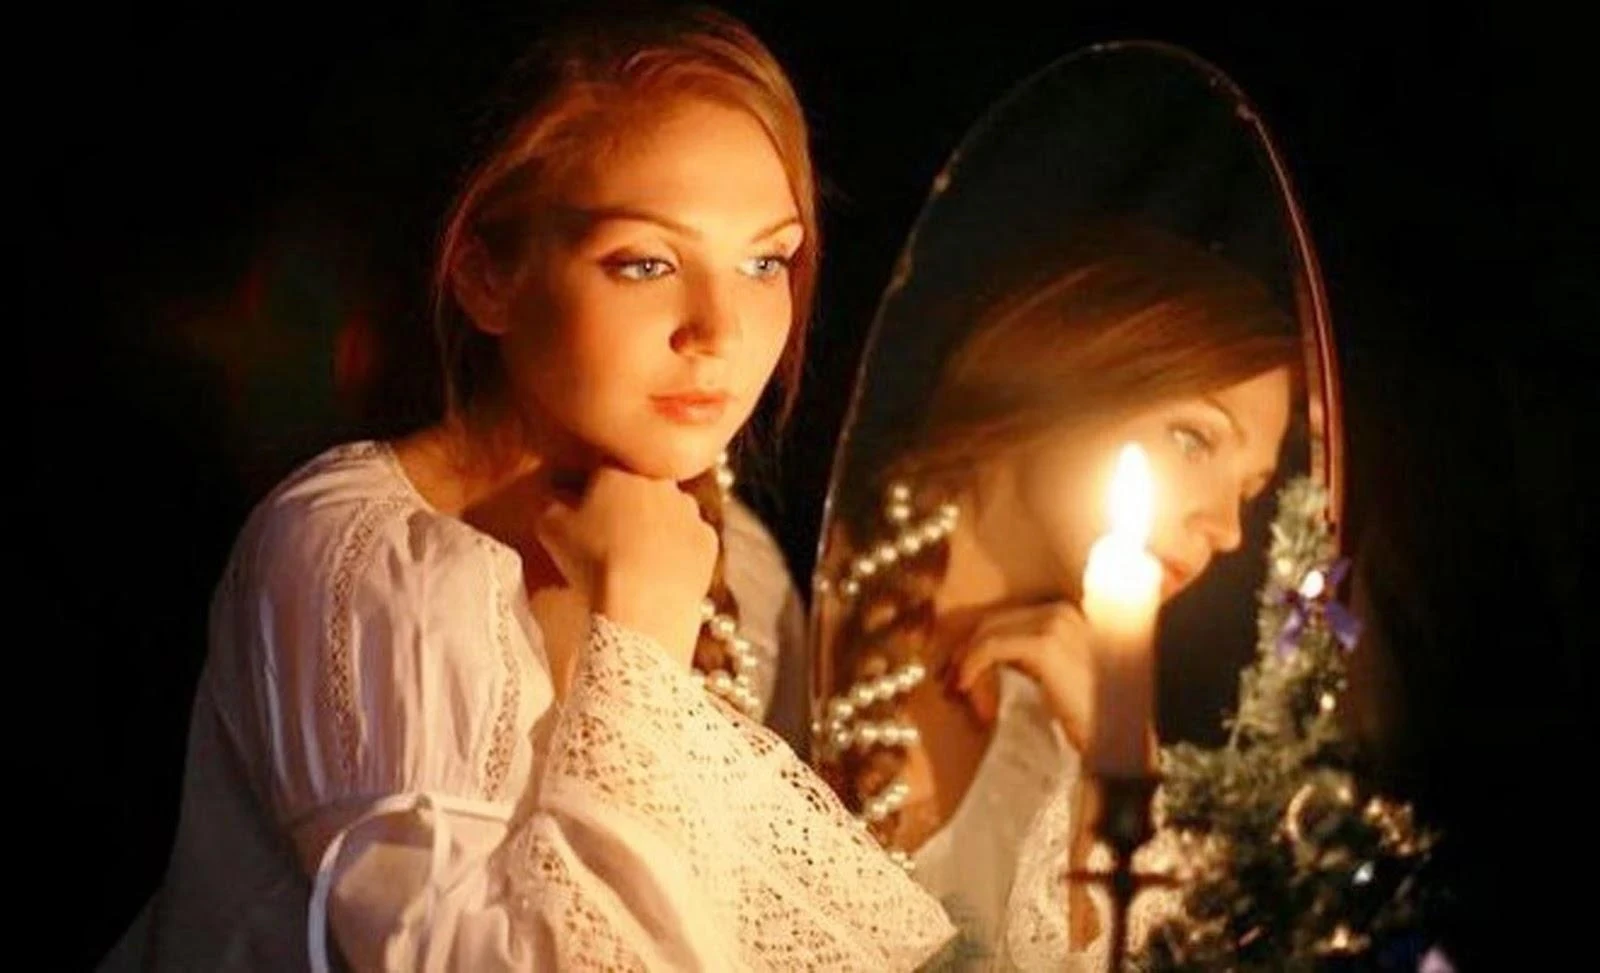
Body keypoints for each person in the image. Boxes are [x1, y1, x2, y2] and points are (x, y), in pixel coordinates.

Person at [103, 6, 954, 970]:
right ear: (486, 275)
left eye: (765, 262)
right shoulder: (364, 556)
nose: (719, 329)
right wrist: (638, 633)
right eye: (645, 262)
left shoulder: (743, 568)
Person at [813, 221, 1303, 969]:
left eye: (1249, 490)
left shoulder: (1064, 725)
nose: (1229, 529)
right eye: (1193, 439)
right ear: (1067, 369)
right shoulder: (774, 586)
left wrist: (1117, 767)